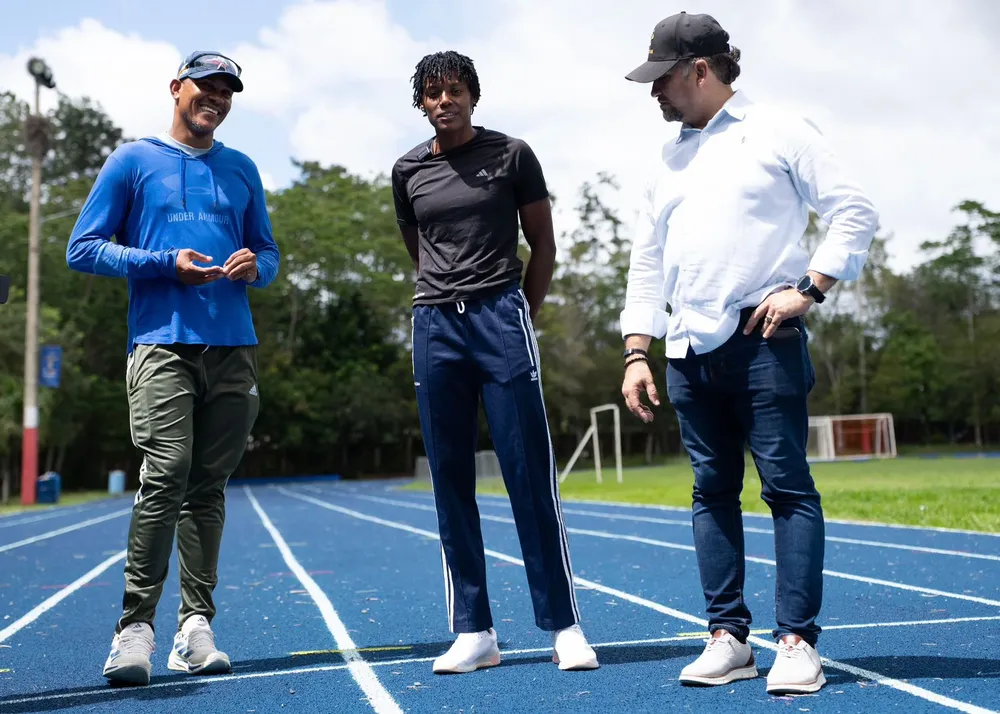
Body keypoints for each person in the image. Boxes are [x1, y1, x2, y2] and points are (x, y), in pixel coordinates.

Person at [618, 12, 878, 696]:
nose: (655, 94)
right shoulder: (667, 158)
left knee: (787, 488)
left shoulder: (780, 130)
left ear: (699, 70)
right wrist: (636, 349)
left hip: (763, 341)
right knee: (711, 492)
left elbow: (853, 209)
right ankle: (728, 638)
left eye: (663, 80)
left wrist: (811, 289)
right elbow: (647, 260)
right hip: (687, 352)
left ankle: (795, 642)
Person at [66, 50, 279, 686]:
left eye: (226, 91)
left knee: (208, 489)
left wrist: (254, 268)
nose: (215, 98)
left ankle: (195, 626)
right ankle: (135, 630)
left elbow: (267, 253)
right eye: (205, 87)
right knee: (166, 475)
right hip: (161, 343)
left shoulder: (241, 168)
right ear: (175, 89)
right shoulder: (133, 161)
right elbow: (84, 248)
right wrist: (164, 262)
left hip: (233, 348)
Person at [391, 50, 599, 674]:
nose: (444, 101)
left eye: (455, 90)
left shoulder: (511, 154)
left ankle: (563, 625)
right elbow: (419, 250)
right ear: (422, 102)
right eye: (432, 93)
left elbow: (544, 244)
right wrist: (445, 298)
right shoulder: (406, 170)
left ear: (473, 96)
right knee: (450, 477)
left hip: (501, 318)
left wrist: (520, 312)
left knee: (527, 472)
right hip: (434, 325)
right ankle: (474, 629)